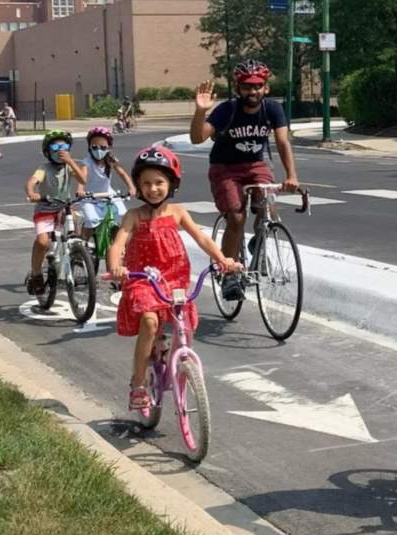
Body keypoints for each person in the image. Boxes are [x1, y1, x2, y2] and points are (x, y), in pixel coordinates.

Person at [107, 147, 236, 410]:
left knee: (184, 324)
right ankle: (139, 384)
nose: (153, 188)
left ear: (172, 184)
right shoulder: (134, 215)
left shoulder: (177, 212)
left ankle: (176, 361)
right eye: (146, 183)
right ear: (139, 187)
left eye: (159, 182)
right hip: (142, 278)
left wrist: (222, 259)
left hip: (174, 278)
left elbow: (201, 238)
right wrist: (115, 266)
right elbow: (118, 243)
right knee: (149, 321)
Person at [190, 60, 302, 301]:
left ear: (266, 88)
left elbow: (282, 142)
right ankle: (229, 273)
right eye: (246, 86)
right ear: (237, 88)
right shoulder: (226, 110)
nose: (252, 91)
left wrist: (291, 176)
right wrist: (201, 111)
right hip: (224, 168)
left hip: (255, 165)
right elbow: (197, 138)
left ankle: (258, 244)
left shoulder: (272, 109)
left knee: (267, 208)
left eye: (257, 86)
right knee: (237, 216)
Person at [24, 130, 87, 295]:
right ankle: (37, 274)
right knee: (43, 242)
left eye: (64, 147)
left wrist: (71, 162)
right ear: (47, 151)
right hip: (45, 209)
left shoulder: (69, 167)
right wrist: (32, 193)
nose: (60, 150)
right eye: (55, 147)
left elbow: (82, 180)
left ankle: (76, 255)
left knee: (75, 223)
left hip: (63, 208)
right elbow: (31, 181)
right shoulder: (44, 169)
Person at [77, 126, 136, 243]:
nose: (98, 150)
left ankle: (119, 244)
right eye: (94, 147)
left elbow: (123, 173)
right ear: (89, 147)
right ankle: (83, 244)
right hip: (90, 197)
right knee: (91, 219)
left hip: (108, 195)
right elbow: (82, 177)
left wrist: (131, 187)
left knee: (122, 214)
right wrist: (80, 190)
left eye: (103, 147)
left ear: (108, 147)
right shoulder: (87, 162)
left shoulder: (111, 160)